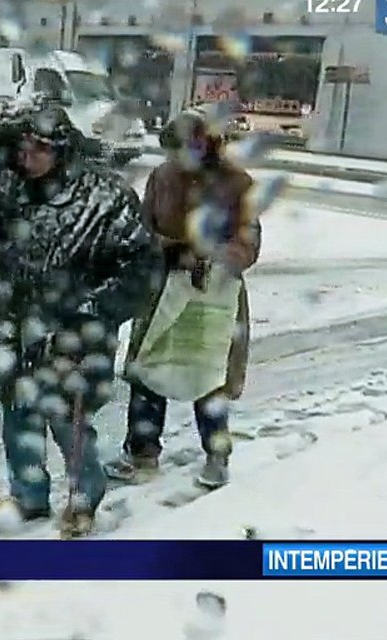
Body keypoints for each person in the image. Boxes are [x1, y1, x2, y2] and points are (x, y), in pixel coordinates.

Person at [0, 95, 161, 538]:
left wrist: (95, 311)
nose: (27, 158)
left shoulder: (106, 197)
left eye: (39, 148)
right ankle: (28, 497)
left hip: (77, 329)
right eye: (20, 148)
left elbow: (142, 267)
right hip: (16, 324)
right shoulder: (12, 186)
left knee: (70, 422)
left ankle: (84, 499)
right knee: (18, 412)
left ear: (63, 147)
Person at [105, 106, 262, 490]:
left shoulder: (238, 184)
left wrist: (210, 255)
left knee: (208, 377)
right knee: (148, 371)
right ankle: (141, 452)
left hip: (215, 296)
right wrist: (165, 250)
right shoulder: (162, 176)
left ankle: (216, 454)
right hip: (162, 290)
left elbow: (249, 244)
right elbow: (142, 231)